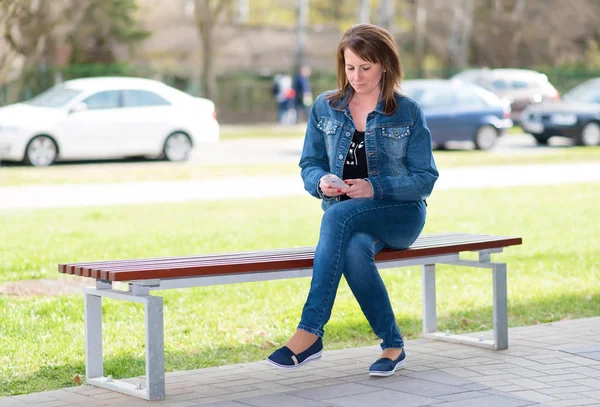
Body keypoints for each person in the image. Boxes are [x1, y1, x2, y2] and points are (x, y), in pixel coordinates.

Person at [267, 24, 439, 377]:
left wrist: (374, 187)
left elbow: (425, 180)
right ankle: (393, 345)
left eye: (366, 67)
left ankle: (310, 332)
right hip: (348, 216)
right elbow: (309, 165)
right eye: (350, 67)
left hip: (400, 214)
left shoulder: (407, 112)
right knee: (355, 250)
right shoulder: (326, 108)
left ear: (385, 66)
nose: (356, 76)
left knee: (336, 218)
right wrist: (322, 181)